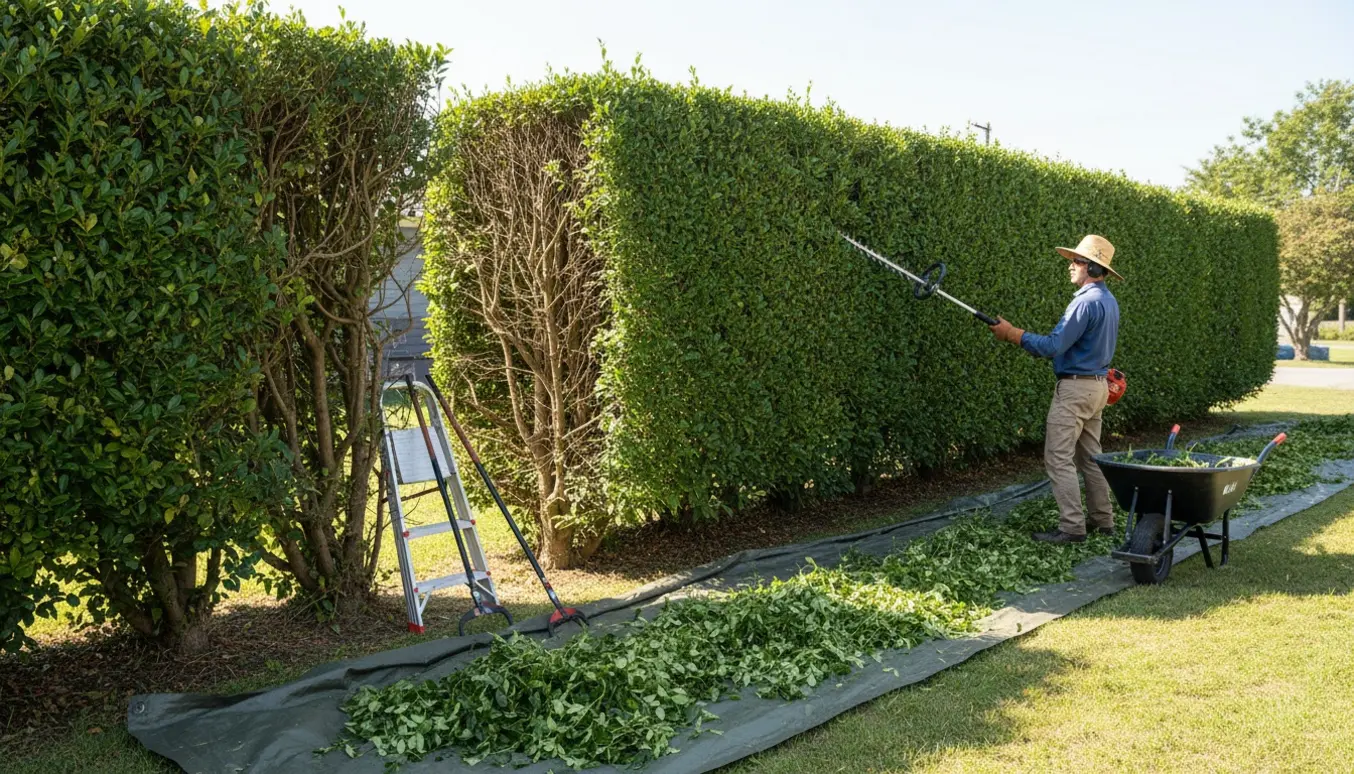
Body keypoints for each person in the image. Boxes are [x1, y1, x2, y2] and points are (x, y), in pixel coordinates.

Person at [988, 235, 1122, 544]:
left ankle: (1072, 527)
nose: (1070, 266)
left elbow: (1053, 345)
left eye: (1075, 262)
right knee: (1092, 458)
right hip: (1098, 388)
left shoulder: (1085, 301)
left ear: (1090, 266)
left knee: (1058, 458)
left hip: (1075, 391)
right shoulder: (1108, 300)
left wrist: (1012, 334)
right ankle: (1104, 521)